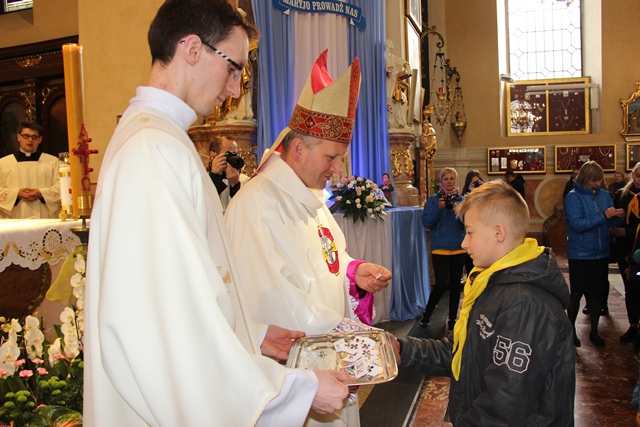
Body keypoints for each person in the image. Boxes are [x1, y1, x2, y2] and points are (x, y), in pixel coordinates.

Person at [84, 2, 353, 426]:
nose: (235, 89)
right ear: (192, 49)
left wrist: (254, 333)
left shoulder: (159, 138)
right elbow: (167, 331)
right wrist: (296, 390)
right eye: (233, 69)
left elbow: (185, 288)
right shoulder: (153, 150)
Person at [226, 49, 392, 427]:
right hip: (296, 378)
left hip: (328, 365)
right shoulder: (257, 206)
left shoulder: (310, 199)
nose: (337, 169)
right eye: (331, 157)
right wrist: (352, 337)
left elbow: (328, 260)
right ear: (299, 148)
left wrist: (354, 271)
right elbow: (275, 299)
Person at [394, 179, 576, 426]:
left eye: (469, 232)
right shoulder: (491, 282)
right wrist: (403, 349)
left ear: (499, 232)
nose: (464, 243)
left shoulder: (524, 304)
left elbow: (505, 407)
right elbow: (463, 352)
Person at [564, 161, 624, 347]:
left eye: (599, 180)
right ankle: (570, 331)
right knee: (576, 293)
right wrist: (604, 216)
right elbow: (577, 225)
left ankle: (594, 331)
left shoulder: (604, 195)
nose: (597, 183)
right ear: (585, 178)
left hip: (600, 252)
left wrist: (617, 218)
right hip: (581, 253)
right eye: (593, 180)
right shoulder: (573, 197)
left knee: (597, 293)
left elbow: (608, 222)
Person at [419, 167, 466, 332]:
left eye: (452, 178)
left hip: (459, 247)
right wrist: (438, 209)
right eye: (446, 179)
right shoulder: (433, 200)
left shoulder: (462, 200)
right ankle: (427, 314)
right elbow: (426, 222)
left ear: (455, 180)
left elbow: (467, 221)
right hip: (440, 248)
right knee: (440, 285)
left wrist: (458, 210)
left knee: (455, 285)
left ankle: (452, 319)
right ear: (440, 182)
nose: (449, 181)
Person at [0, 121, 60, 219]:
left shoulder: (52, 162)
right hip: (14, 217)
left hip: (45, 216)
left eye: (34, 137)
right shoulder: (3, 163)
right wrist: (16, 194)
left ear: (40, 139)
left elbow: (63, 186)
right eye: (26, 136)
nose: (30, 140)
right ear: (18, 137)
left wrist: (42, 193)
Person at [611, 162, 640, 342]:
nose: (639, 180)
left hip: (639, 248)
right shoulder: (622, 195)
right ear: (632, 175)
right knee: (630, 288)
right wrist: (616, 226)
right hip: (625, 249)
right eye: (637, 175)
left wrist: (627, 231)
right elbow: (615, 219)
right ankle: (633, 325)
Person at [208, 135, 248, 212]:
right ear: (213, 156)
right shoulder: (203, 179)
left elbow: (245, 209)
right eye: (229, 154)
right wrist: (214, 176)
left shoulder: (244, 180)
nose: (233, 158)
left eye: (235, 154)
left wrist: (235, 185)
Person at [461, 169, 484, 276]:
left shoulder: (486, 197)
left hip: (482, 236)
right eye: (474, 183)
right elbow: (462, 214)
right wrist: (470, 193)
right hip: (470, 235)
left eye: (478, 182)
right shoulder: (464, 197)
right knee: (471, 268)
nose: (476, 185)